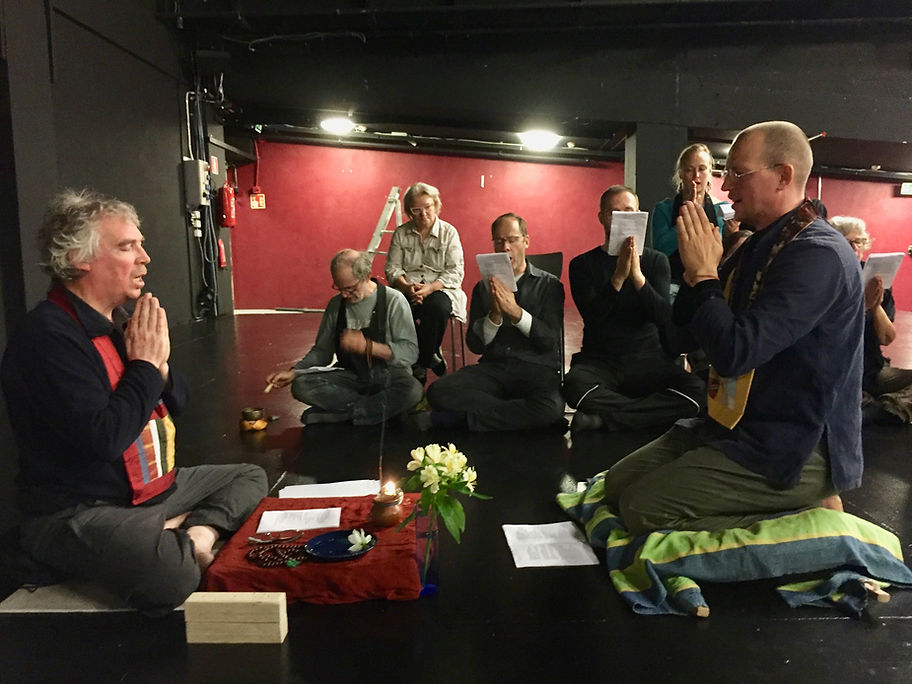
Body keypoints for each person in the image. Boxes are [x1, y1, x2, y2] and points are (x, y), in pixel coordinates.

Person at [0, 190, 267, 614]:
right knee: (171, 578)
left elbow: (178, 397)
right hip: (80, 509)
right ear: (78, 258)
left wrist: (155, 368)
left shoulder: (118, 323)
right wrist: (144, 365)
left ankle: (192, 533)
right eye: (127, 246)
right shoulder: (48, 338)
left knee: (249, 475)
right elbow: (102, 439)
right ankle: (164, 536)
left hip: (148, 495)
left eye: (140, 245)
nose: (144, 257)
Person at [600, 121, 864, 534]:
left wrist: (706, 275)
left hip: (793, 444)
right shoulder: (753, 245)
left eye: (737, 173)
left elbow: (736, 353)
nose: (724, 186)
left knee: (640, 509)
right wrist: (694, 275)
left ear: (783, 175)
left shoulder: (817, 255)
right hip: (733, 422)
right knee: (615, 487)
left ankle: (806, 512)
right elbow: (681, 337)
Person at [563, 185, 704, 432]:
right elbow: (594, 317)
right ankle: (647, 414)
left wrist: (638, 278)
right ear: (601, 218)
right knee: (574, 388)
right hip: (600, 361)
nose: (622, 219)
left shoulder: (656, 261)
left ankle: (607, 419)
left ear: (639, 214)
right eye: (613, 213)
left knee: (697, 393)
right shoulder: (582, 264)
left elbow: (663, 317)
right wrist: (618, 277)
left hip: (648, 360)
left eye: (629, 211)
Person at [423, 213, 565, 431]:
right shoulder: (483, 288)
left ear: (526, 241)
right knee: (438, 391)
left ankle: (467, 421)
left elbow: (549, 342)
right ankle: (522, 419)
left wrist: (516, 313)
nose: (505, 247)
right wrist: (495, 317)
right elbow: (475, 345)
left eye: (512, 239)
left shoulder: (549, 284)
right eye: (499, 241)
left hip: (535, 370)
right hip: (494, 368)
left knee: (552, 406)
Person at [267, 249, 423, 425]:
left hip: (388, 375)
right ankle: (371, 411)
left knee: (412, 390)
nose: (344, 295)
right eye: (339, 288)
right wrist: (295, 372)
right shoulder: (336, 305)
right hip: (352, 376)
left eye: (350, 288)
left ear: (366, 276)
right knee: (301, 386)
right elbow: (322, 352)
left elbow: (410, 353)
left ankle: (345, 413)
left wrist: (369, 347)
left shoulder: (393, 300)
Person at [830, 215, 912, 423]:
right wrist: (861, 304)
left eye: (859, 242)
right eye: (848, 242)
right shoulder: (828, 278)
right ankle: (867, 406)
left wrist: (874, 306)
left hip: (872, 369)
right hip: (838, 371)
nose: (855, 248)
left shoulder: (875, 278)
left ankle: (888, 407)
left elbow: (886, 337)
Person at [385, 182, 467, 384]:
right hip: (407, 287)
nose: (423, 214)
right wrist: (405, 286)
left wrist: (429, 288)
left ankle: (419, 365)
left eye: (428, 207)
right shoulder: (401, 233)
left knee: (437, 308)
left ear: (436, 205)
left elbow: (455, 271)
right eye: (416, 210)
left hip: (439, 287)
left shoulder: (449, 232)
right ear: (409, 212)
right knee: (394, 309)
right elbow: (392, 268)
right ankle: (429, 354)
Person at [650, 143, 728, 287]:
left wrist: (734, 231)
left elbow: (722, 252)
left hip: (708, 284)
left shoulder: (721, 209)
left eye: (702, 169)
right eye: (689, 170)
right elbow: (661, 249)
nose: (696, 176)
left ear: (710, 171)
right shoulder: (664, 209)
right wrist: (689, 212)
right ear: (680, 173)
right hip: (672, 284)